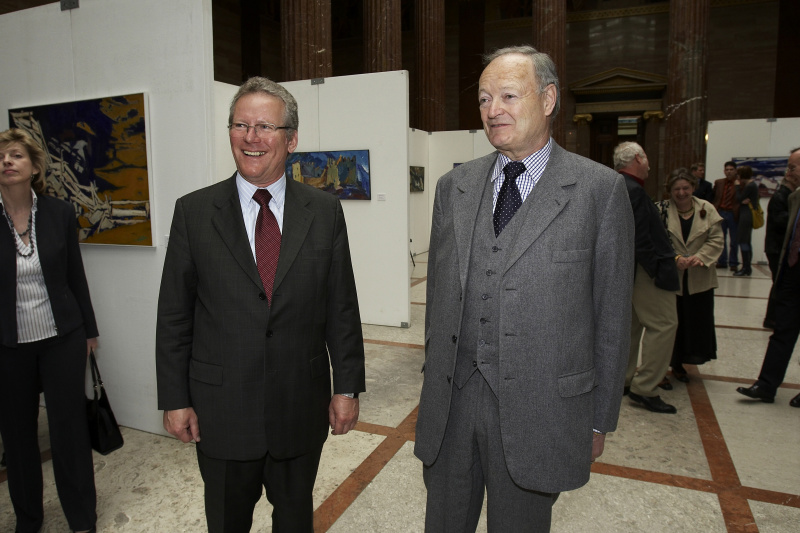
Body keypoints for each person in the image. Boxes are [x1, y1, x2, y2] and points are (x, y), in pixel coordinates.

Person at [414, 45, 634, 532]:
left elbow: (614, 316)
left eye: (509, 95)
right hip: (452, 405)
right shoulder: (456, 186)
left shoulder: (598, 191)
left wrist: (599, 419)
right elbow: (438, 302)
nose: (493, 110)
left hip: (542, 409)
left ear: (549, 99)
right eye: (485, 98)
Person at [155, 77, 366, 533]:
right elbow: (174, 314)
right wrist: (174, 398)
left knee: (294, 522)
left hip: (299, 408)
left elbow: (341, 308)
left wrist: (347, 388)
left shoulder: (324, 212)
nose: (251, 138)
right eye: (240, 125)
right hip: (222, 412)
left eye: (265, 126)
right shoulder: (193, 212)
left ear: (291, 140)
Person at [0, 129, 98, 533]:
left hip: (63, 339)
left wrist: (90, 331)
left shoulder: (59, 212)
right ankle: (28, 518)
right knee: (18, 436)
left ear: (34, 167)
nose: (7, 161)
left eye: (16, 155)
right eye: (2, 156)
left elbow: (76, 276)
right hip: (8, 345)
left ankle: (81, 517)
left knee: (68, 431)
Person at [617, 142, 681, 413]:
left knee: (631, 328)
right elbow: (641, 238)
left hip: (626, 271)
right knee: (664, 324)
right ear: (638, 159)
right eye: (646, 157)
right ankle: (645, 388)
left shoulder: (618, 186)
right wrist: (657, 270)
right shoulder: (634, 191)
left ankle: (624, 378)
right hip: (645, 271)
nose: (649, 164)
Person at [737, 147, 800, 408]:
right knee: (782, 330)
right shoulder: (795, 197)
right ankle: (766, 385)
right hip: (792, 274)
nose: (788, 172)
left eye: (793, 167)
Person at [659, 172, 723, 385]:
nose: (681, 193)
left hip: (699, 278)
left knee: (694, 322)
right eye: (676, 189)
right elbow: (657, 239)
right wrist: (675, 257)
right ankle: (669, 363)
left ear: (693, 187)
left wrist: (700, 257)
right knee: (672, 323)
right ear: (670, 190)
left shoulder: (707, 209)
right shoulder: (663, 210)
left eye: (685, 188)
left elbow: (716, 239)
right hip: (673, 278)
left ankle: (683, 363)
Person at [763, 165, 798, 328]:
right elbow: (779, 221)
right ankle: (771, 318)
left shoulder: (787, 195)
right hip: (776, 247)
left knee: (780, 283)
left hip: (777, 246)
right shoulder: (781, 196)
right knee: (779, 283)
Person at [713, 161, 741, 271]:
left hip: (733, 213)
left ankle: (733, 262)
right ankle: (722, 261)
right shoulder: (719, 182)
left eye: (731, 170)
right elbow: (714, 195)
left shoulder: (739, 183)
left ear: (735, 171)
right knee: (720, 238)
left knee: (734, 240)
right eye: (727, 170)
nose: (729, 172)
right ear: (724, 171)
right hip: (721, 212)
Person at [733, 165, 760, 276]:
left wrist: (737, 187)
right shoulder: (752, 185)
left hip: (746, 215)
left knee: (743, 241)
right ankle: (746, 267)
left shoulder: (749, 186)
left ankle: (746, 267)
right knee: (746, 241)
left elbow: (739, 198)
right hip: (746, 215)